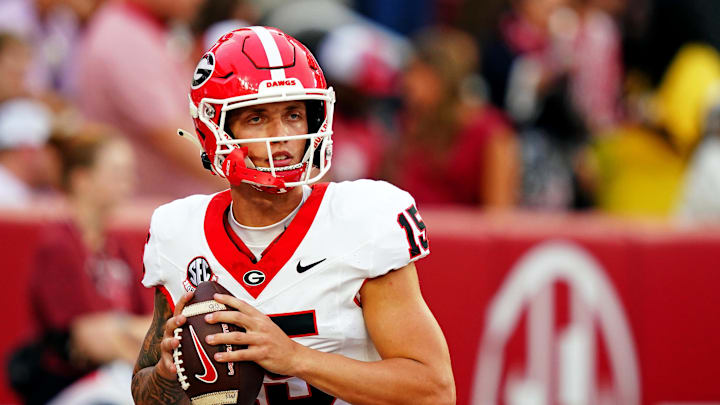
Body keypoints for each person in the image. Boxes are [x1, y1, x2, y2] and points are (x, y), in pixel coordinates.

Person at [131, 26, 456, 405]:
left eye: (293, 114)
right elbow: (145, 390)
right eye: (256, 118)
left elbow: (434, 390)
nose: (281, 134)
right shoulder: (178, 233)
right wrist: (168, 374)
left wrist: (296, 358)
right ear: (214, 130)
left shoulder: (362, 221)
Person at [12, 125, 151, 404]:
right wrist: (135, 341)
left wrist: (121, 329)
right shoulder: (59, 244)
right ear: (82, 179)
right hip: (70, 382)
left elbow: (152, 324)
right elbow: (88, 339)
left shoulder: (117, 242)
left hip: (116, 372)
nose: (129, 182)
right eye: (117, 173)